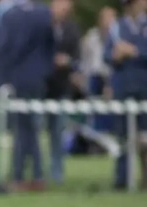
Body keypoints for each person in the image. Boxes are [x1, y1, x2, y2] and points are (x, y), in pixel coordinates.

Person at [0, 0, 54, 191]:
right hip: (38, 77)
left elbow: (5, 48)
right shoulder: (44, 14)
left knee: (21, 127)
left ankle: (20, 174)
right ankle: (37, 174)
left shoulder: (10, 15)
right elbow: (50, 46)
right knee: (33, 127)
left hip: (18, 76)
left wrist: (2, 76)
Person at [107, 0, 147, 190]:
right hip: (123, 87)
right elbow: (106, 55)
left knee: (145, 137)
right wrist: (115, 55)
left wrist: (134, 51)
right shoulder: (117, 27)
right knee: (122, 136)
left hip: (144, 86)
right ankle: (121, 179)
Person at [46, 0, 81, 185]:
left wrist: (67, 61)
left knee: (58, 131)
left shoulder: (72, 29)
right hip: (42, 86)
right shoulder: (42, 24)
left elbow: (77, 58)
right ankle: (35, 172)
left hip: (61, 87)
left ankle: (56, 173)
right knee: (34, 130)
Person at [81, 7, 117, 135]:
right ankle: (94, 139)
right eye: (107, 19)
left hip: (111, 77)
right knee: (94, 111)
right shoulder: (91, 36)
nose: (109, 22)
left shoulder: (118, 36)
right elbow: (85, 61)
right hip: (94, 77)